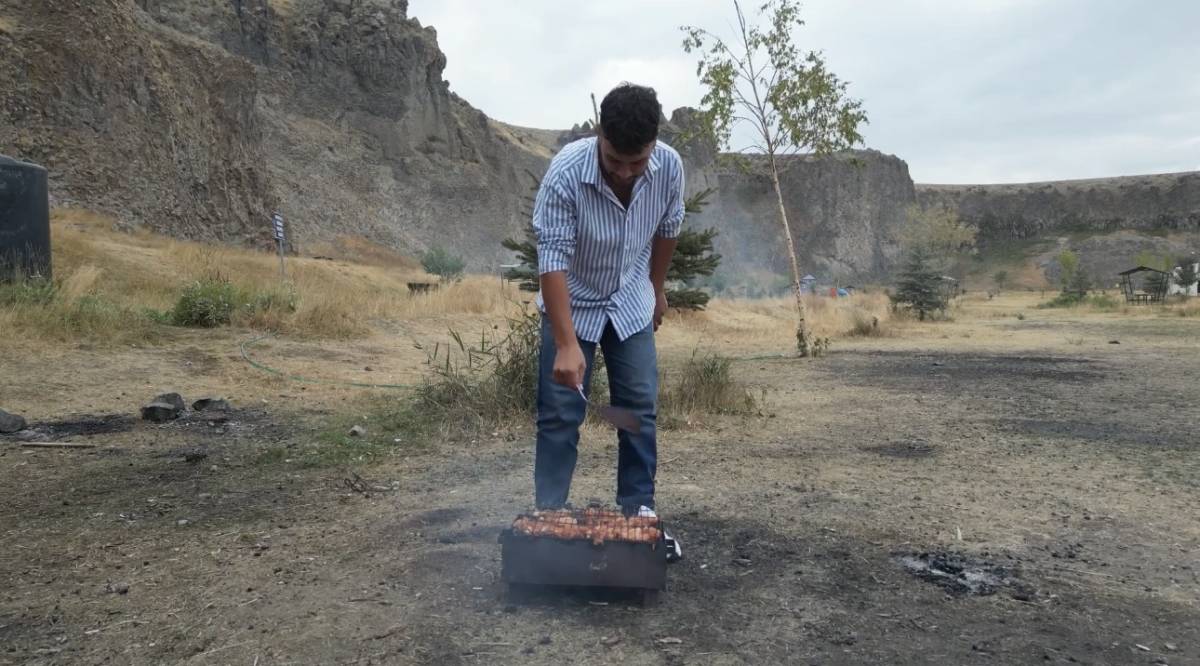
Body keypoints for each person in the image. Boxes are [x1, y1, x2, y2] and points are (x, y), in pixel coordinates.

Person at [531, 83, 683, 561]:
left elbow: (668, 228)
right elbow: (551, 257)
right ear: (600, 135)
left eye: (636, 163)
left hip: (631, 304)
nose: (624, 172)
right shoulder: (566, 174)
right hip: (571, 305)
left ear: (653, 146)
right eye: (614, 159)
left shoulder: (670, 168)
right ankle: (549, 517)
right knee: (560, 413)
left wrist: (656, 289)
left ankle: (638, 511)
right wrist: (565, 342)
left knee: (638, 408)